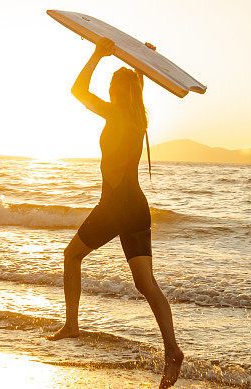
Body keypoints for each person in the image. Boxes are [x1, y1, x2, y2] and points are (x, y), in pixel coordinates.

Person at [47, 37, 184, 388]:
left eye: (112, 85)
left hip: (115, 206)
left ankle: (72, 324)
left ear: (121, 92)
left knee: (71, 255)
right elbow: (137, 88)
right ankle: (172, 350)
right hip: (135, 207)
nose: (108, 90)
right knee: (146, 284)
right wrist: (142, 63)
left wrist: (97, 54)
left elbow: (78, 90)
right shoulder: (138, 118)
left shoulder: (118, 113)